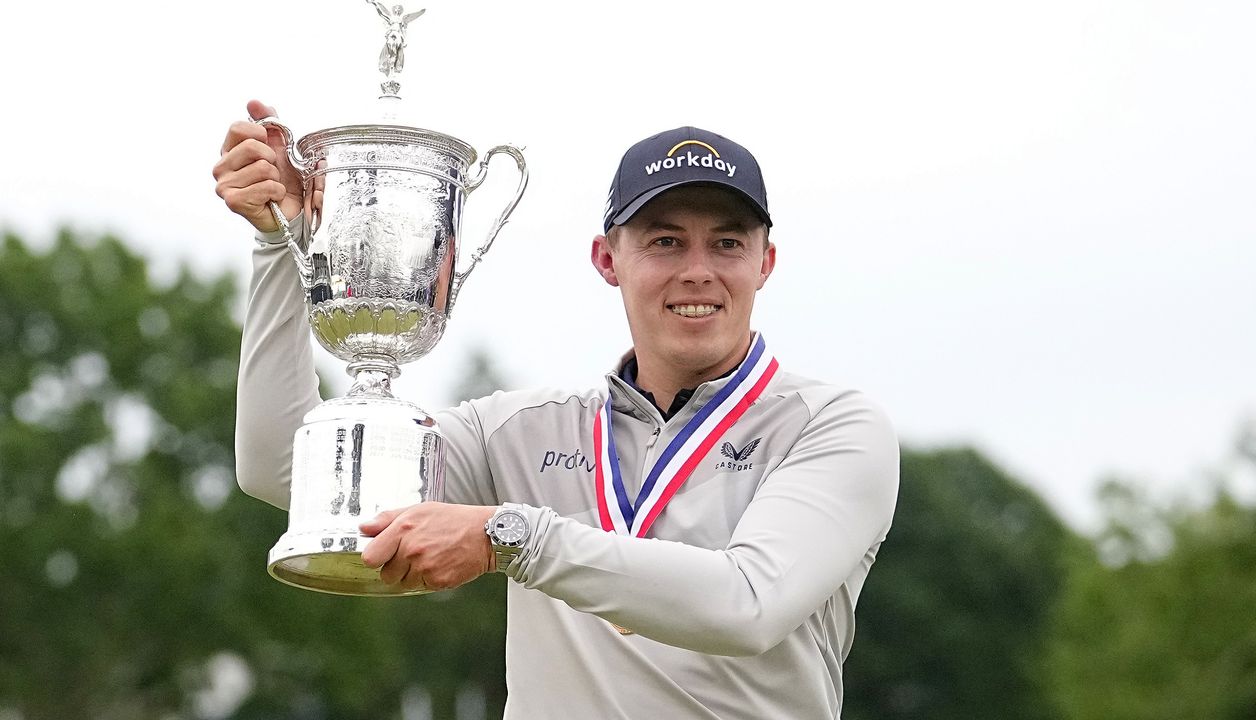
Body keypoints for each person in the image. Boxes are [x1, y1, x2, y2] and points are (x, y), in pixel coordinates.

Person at [214, 99, 900, 719]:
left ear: (764, 263)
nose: (699, 269)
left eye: (727, 242)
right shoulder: (525, 431)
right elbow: (285, 469)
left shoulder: (831, 426)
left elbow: (748, 604)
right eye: (665, 240)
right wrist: (282, 242)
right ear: (608, 259)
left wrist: (508, 538)